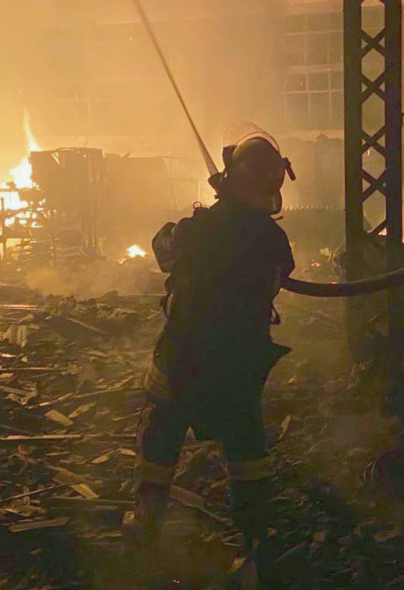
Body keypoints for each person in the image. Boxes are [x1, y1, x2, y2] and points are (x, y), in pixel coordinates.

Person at [129, 132, 296, 567]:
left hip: (184, 355)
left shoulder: (198, 229)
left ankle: (147, 519)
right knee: (245, 445)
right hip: (240, 361)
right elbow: (278, 277)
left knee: (162, 434)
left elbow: (164, 249)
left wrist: (206, 214)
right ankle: (255, 534)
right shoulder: (273, 240)